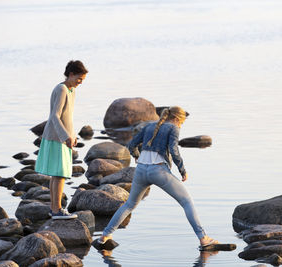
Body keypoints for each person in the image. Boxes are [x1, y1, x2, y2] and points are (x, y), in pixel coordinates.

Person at [97, 106, 218, 248]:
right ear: (177, 119)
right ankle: (203, 238)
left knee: (129, 204)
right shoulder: (173, 128)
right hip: (159, 171)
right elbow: (174, 150)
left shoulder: (149, 126)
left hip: (141, 170)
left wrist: (137, 156)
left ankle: (105, 235)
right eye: (182, 122)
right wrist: (182, 170)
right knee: (187, 202)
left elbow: (132, 144)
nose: (181, 125)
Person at [35, 60, 88, 219]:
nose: (80, 83)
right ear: (71, 74)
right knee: (59, 174)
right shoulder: (62, 89)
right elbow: (55, 117)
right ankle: (57, 210)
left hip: (63, 137)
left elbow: (67, 117)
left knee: (57, 174)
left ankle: (54, 209)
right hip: (57, 137)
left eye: (82, 80)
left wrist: (73, 135)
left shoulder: (71, 90)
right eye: (79, 79)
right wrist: (65, 136)